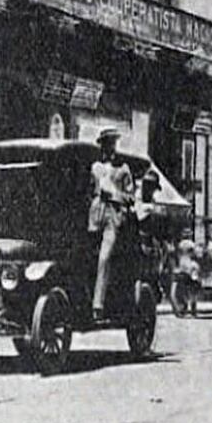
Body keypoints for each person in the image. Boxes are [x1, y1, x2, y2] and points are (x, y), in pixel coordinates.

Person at [88, 127, 134, 321]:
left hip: (113, 216)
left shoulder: (123, 169)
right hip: (95, 214)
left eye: (112, 142)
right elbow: (89, 190)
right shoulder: (96, 167)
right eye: (107, 143)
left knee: (104, 258)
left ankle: (98, 304)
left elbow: (131, 197)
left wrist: (115, 194)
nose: (110, 147)